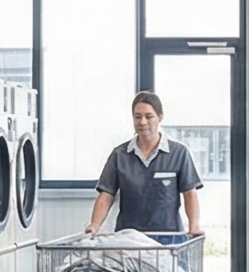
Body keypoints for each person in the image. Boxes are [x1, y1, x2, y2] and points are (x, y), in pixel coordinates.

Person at [87, 90, 205, 237]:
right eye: (138, 117)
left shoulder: (179, 153)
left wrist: (194, 226)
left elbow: (190, 194)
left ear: (160, 117)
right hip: (129, 238)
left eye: (149, 116)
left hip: (169, 239)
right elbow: (106, 194)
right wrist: (94, 225)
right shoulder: (119, 155)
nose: (142, 122)